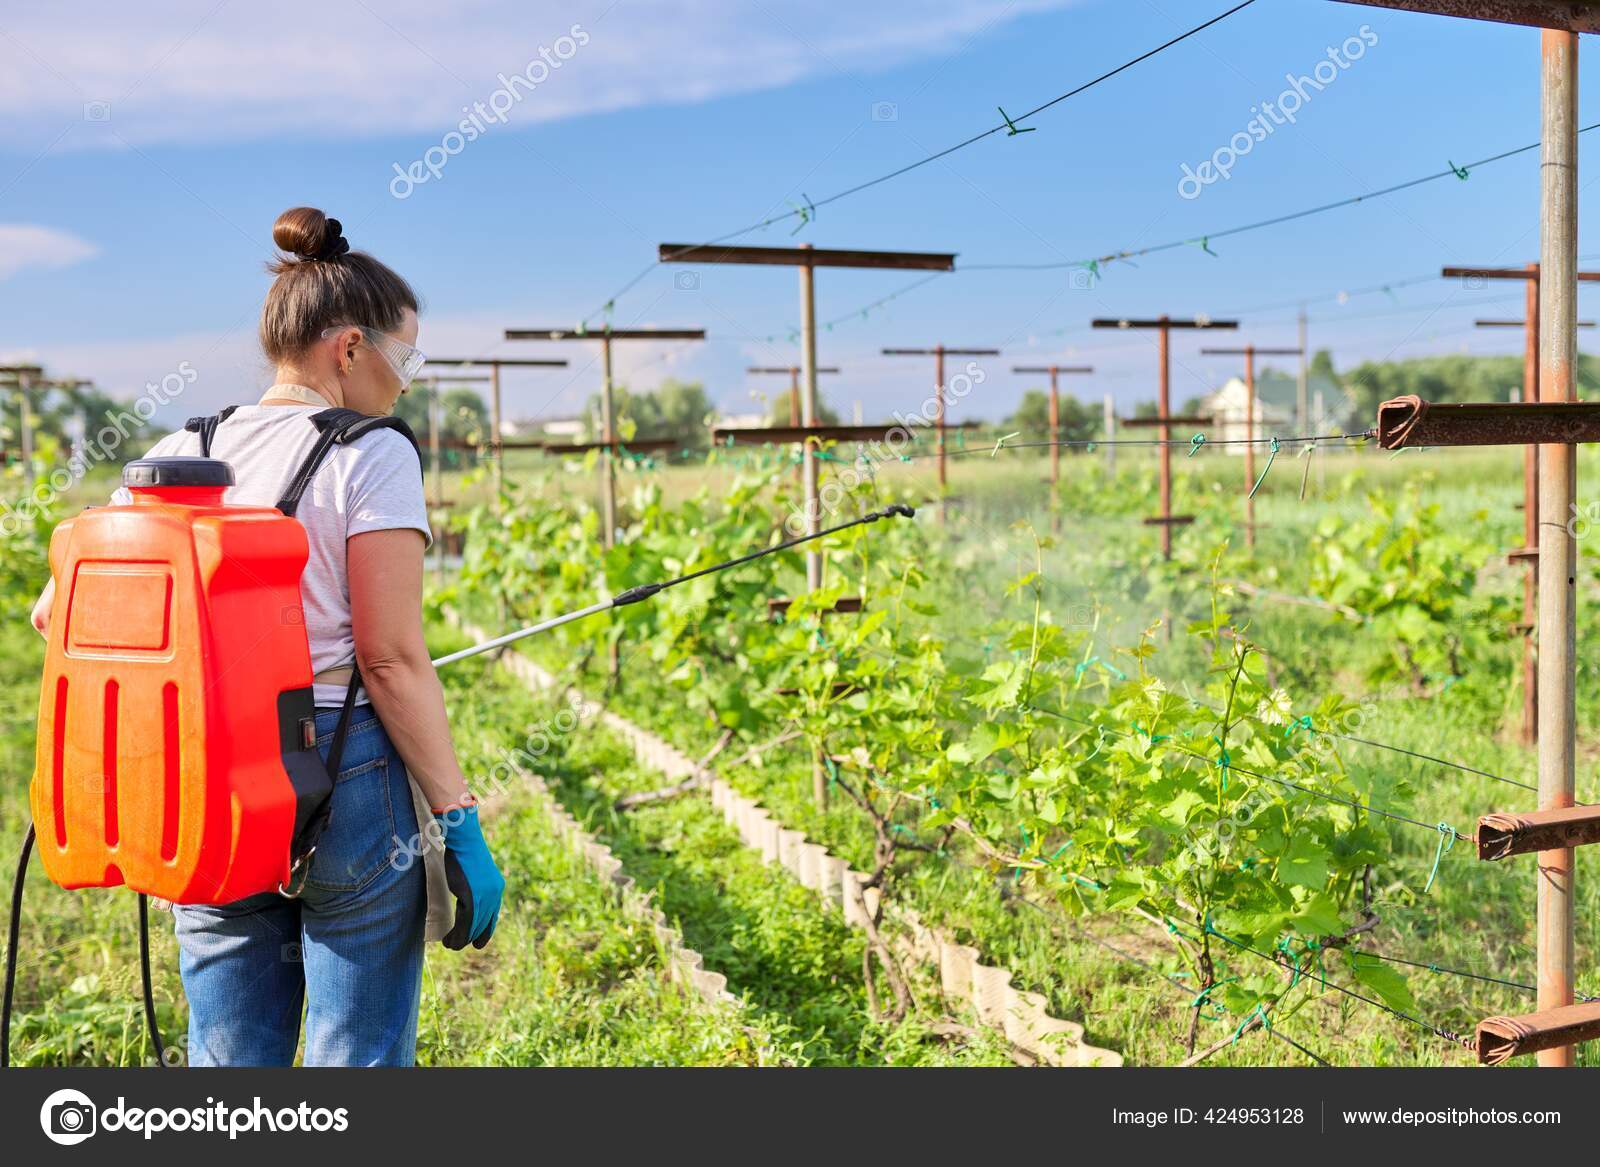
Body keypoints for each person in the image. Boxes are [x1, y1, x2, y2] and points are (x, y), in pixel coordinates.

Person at [28, 206, 504, 1067]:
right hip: (345, 768)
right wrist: (457, 816)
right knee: (353, 1051)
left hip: (203, 769)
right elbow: (390, 660)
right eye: (406, 356)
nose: (406, 382)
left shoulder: (184, 448)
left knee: (229, 1052)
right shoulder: (374, 452)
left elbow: (54, 609)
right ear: (350, 347)